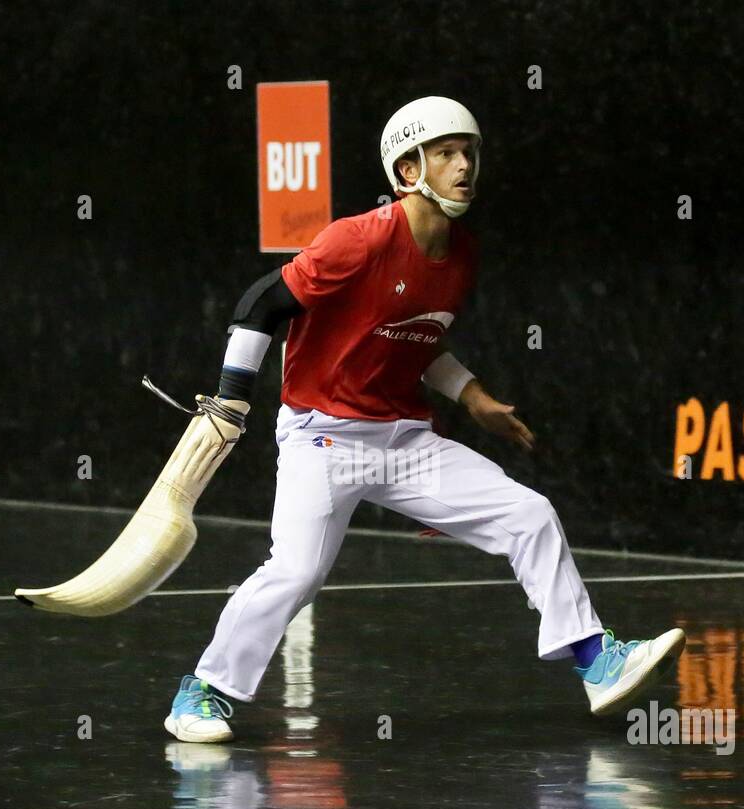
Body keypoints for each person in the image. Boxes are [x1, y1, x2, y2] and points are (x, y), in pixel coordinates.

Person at [165, 96, 684, 743]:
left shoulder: (459, 253)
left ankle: (595, 662)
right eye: (445, 153)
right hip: (322, 435)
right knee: (297, 571)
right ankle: (203, 692)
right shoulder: (359, 239)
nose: (464, 164)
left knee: (529, 514)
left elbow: (412, 338)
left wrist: (471, 397)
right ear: (408, 168)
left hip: (404, 439)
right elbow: (260, 305)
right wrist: (230, 402)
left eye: (468, 151)